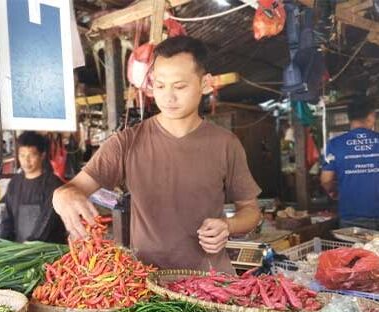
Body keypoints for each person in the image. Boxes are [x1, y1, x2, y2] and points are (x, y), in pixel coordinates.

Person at [53, 36, 261, 272]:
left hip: (211, 279)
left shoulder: (226, 143)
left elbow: (251, 211)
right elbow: (74, 188)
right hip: (149, 282)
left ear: (205, 84)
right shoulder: (126, 143)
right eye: (160, 85)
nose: (168, 97)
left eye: (180, 86)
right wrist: (63, 195)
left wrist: (228, 225)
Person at [321, 96, 379, 230]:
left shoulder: (335, 144)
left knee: (356, 251)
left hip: (352, 216)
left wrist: (333, 192)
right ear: (370, 117)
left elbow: (326, 179)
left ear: (349, 118)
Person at [0, 131, 66, 243]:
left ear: (42, 155)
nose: (26, 160)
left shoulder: (54, 185)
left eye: (32, 155)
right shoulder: (14, 183)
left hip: (48, 251)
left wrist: (30, 245)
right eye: (22, 155)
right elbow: (7, 218)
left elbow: (46, 222)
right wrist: (2, 244)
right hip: (21, 251)